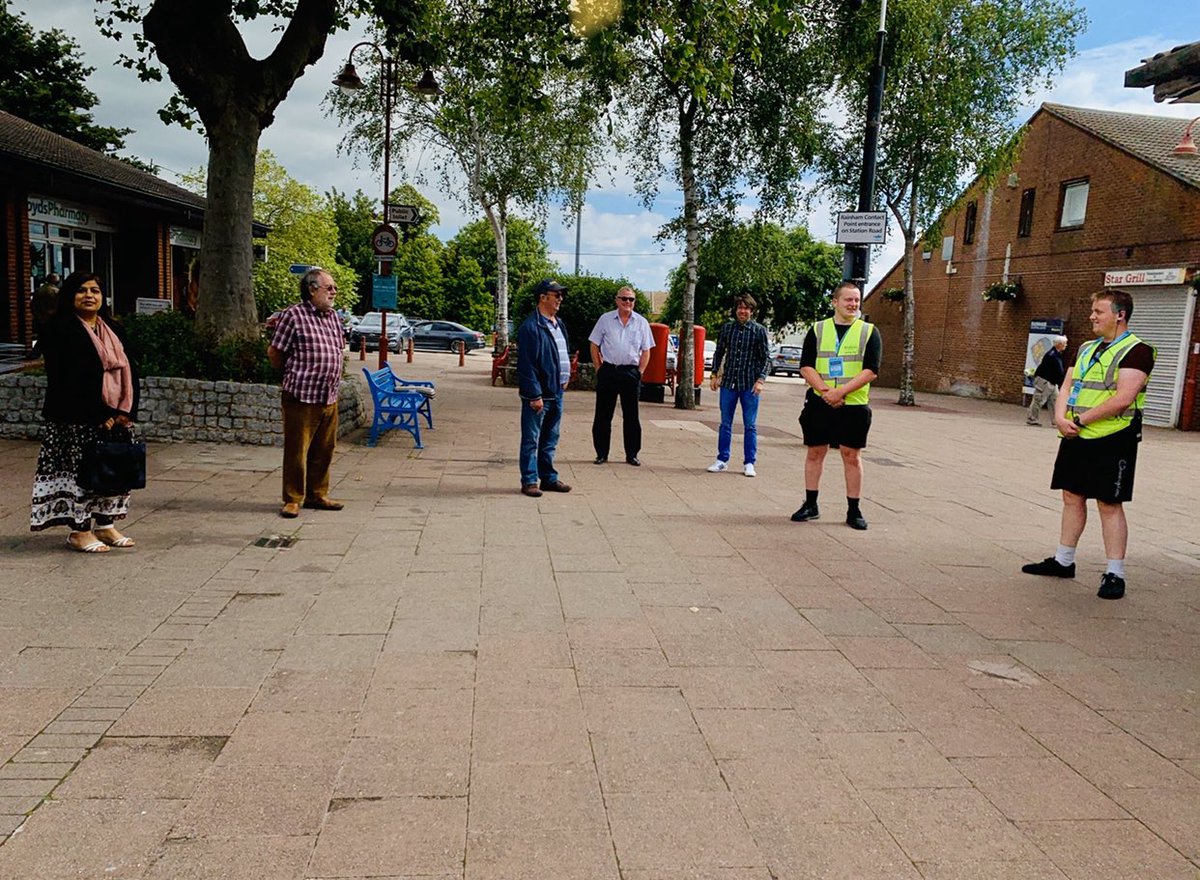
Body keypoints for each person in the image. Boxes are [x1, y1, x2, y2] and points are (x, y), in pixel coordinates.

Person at [1021, 290, 1154, 600]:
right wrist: (1058, 415)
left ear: (1120, 315)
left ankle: (1114, 573)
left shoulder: (1138, 351)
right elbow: (1067, 385)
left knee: (1109, 503)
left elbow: (1123, 399)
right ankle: (1064, 560)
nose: (1092, 316)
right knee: (1071, 496)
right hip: (1075, 435)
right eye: (1093, 310)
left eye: (1099, 311)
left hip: (1112, 438)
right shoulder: (1086, 348)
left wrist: (1079, 421)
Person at [30, 271, 140, 552]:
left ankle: (105, 525)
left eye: (95, 291)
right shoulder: (59, 329)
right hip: (75, 416)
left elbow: (131, 369)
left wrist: (127, 410)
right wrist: (99, 411)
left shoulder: (113, 328)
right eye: (81, 290)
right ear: (69, 296)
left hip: (117, 414)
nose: (89, 296)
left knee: (113, 470)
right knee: (81, 474)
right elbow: (64, 379)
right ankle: (79, 531)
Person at [791, 281, 882, 530]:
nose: (853, 305)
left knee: (851, 456)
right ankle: (811, 504)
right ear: (835, 302)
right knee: (815, 452)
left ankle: (854, 510)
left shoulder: (869, 331)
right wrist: (825, 392)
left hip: (853, 405)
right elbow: (806, 365)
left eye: (856, 300)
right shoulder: (818, 329)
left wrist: (840, 392)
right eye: (848, 300)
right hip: (820, 403)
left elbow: (871, 369)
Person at [267, 267, 346, 518]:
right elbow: (275, 352)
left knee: (324, 449)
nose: (334, 291)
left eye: (334, 287)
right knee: (297, 451)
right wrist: (294, 374)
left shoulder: (333, 317)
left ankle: (318, 494)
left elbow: (338, 348)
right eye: (329, 287)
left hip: (328, 395)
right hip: (301, 395)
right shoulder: (293, 315)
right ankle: (292, 498)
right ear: (312, 290)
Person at [517, 279, 572, 497]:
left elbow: (561, 353)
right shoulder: (531, 327)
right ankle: (530, 480)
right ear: (543, 297)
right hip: (539, 395)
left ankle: (548, 478)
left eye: (561, 295)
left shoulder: (559, 324)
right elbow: (527, 365)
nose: (560, 299)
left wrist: (566, 375)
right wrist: (534, 394)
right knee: (532, 439)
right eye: (556, 294)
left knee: (550, 439)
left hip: (556, 391)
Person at [706, 294, 771, 477]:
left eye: (746, 309)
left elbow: (766, 358)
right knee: (725, 423)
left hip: (749, 384)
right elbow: (719, 352)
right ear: (736, 310)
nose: (743, 311)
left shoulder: (759, 331)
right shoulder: (727, 329)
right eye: (740, 308)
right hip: (729, 382)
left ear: (751, 311)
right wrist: (714, 374)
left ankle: (749, 462)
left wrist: (761, 380)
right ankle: (722, 459)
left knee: (750, 425)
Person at [589, 286, 654, 466]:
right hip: (609, 370)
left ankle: (632, 454)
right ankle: (601, 453)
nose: (627, 302)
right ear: (617, 300)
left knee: (631, 415)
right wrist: (598, 368)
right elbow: (594, 344)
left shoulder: (641, 322)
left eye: (631, 299)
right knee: (603, 414)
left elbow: (646, 350)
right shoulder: (605, 320)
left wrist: (639, 372)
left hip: (630, 372)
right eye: (624, 299)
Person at [1028, 335, 1067, 425]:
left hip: (1051, 382)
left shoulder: (1056, 354)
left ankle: (1056, 420)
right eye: (1064, 343)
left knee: (1055, 401)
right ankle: (1032, 419)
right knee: (1038, 400)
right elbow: (1057, 370)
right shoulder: (1052, 355)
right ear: (1059, 344)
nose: (1066, 345)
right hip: (1045, 381)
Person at [30, 272, 61, 349]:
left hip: (40, 318)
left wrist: (37, 316)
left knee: (43, 336)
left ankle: (36, 352)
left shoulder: (39, 290)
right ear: (54, 280)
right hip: (52, 318)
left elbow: (33, 305)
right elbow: (60, 305)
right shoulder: (56, 291)